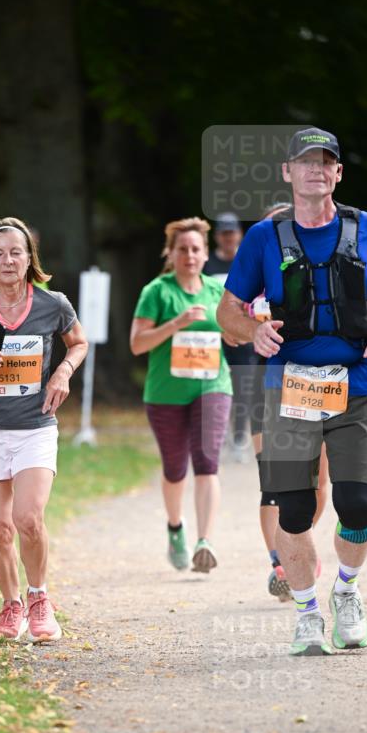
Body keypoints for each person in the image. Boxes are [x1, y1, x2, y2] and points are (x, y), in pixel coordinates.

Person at [218, 127, 367, 655]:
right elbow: (227, 311)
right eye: (305, 161)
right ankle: (307, 614)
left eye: (325, 161)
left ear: (338, 172)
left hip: (358, 384)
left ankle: (346, 590)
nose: (315, 169)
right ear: (287, 172)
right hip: (288, 388)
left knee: (357, 505)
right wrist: (252, 330)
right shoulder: (263, 238)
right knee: (293, 510)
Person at [0, 217, 88, 642]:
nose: (8, 260)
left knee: (28, 518)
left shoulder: (53, 304)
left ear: (29, 259)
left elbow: (79, 343)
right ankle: (11, 606)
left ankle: (39, 598)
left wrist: (63, 372)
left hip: (34, 427)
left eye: (16, 253)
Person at [130, 216, 234, 574]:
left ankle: (205, 542)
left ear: (206, 254)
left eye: (196, 249)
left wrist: (243, 329)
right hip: (166, 392)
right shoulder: (156, 292)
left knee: (207, 461)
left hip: (212, 386)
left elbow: (235, 332)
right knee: (175, 469)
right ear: (171, 254)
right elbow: (137, 343)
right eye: (183, 249)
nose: (190, 256)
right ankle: (176, 528)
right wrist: (176, 324)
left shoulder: (217, 291)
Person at [248, 204, 329, 603]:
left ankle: (299, 541)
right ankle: (280, 562)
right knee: (273, 483)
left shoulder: (320, 272)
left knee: (319, 481)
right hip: (263, 387)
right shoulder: (250, 278)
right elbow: (228, 328)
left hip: (316, 384)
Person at [205, 213, 255, 460]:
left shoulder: (247, 263)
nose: (228, 238)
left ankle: (238, 438)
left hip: (242, 337)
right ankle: (217, 435)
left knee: (243, 388)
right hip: (214, 337)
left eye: (231, 233)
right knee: (214, 387)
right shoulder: (207, 264)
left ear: (239, 235)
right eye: (223, 233)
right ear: (217, 237)